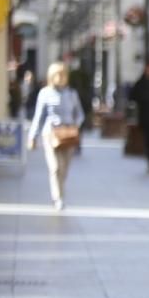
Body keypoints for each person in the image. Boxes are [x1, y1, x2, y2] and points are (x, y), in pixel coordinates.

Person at [26, 61, 85, 211]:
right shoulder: (45, 93)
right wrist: (33, 136)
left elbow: (80, 114)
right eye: (57, 74)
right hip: (51, 134)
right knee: (55, 167)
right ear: (51, 76)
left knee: (64, 168)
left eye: (62, 74)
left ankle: (60, 191)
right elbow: (38, 116)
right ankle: (57, 197)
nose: (60, 77)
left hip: (68, 135)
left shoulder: (72, 93)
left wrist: (75, 125)